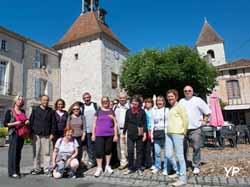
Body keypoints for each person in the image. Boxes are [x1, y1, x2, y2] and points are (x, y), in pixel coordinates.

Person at [179, 85, 210, 174]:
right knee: (184, 149)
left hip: (195, 128)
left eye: (189, 90)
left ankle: (196, 165)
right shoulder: (181, 101)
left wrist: (204, 121)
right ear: (183, 92)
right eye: (185, 91)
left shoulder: (198, 100)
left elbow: (207, 112)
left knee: (196, 147)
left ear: (192, 91)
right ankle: (184, 165)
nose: (187, 92)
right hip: (184, 129)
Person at [165, 89, 188, 187]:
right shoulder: (171, 108)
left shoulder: (180, 106)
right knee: (168, 154)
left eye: (172, 96)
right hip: (169, 133)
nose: (170, 98)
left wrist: (184, 132)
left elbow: (185, 120)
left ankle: (183, 178)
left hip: (178, 133)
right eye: (168, 96)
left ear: (176, 96)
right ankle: (177, 171)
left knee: (180, 156)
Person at [30, 95, 57, 175]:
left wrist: (52, 133)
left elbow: (53, 123)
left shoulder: (51, 111)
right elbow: (31, 122)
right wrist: (30, 133)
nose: (46, 102)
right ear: (40, 101)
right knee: (36, 153)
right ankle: (36, 169)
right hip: (36, 135)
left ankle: (46, 169)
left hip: (47, 135)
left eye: (47, 100)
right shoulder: (35, 110)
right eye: (44, 100)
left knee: (47, 153)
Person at [92, 96, 118, 177]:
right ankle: (99, 167)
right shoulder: (98, 111)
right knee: (99, 151)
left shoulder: (111, 111)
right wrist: (93, 134)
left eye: (106, 101)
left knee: (108, 150)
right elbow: (94, 123)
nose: (105, 102)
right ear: (101, 102)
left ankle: (107, 165)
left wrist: (116, 135)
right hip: (99, 134)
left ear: (108, 101)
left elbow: (115, 123)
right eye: (103, 101)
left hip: (110, 134)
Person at [4, 96, 29, 178]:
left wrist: (27, 121)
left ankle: (17, 171)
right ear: (15, 101)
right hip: (14, 133)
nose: (20, 101)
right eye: (19, 99)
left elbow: (24, 121)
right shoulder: (10, 111)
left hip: (21, 134)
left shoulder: (22, 111)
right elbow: (5, 123)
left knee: (18, 153)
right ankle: (12, 172)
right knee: (13, 153)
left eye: (22, 100)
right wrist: (15, 123)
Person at [122, 95, 147, 175]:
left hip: (139, 133)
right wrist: (123, 133)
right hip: (130, 133)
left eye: (135, 103)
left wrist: (145, 133)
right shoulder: (128, 111)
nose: (134, 104)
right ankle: (130, 167)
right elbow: (126, 122)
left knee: (139, 151)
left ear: (139, 103)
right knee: (130, 151)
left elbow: (144, 123)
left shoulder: (142, 111)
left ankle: (139, 168)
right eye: (133, 103)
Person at [151, 96, 169, 175]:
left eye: (161, 100)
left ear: (164, 102)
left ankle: (166, 168)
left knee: (165, 153)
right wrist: (151, 134)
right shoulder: (153, 111)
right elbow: (152, 123)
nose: (159, 102)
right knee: (157, 152)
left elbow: (168, 122)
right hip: (156, 132)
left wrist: (167, 133)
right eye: (158, 101)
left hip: (164, 132)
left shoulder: (167, 110)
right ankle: (157, 166)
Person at [80, 92, 98, 168]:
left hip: (96, 130)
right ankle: (91, 161)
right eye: (85, 98)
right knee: (90, 147)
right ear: (83, 99)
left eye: (88, 97)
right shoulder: (82, 107)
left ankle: (98, 160)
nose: (87, 99)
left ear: (90, 97)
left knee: (97, 146)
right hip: (86, 131)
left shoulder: (95, 105)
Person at [115, 92, 130, 170]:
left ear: (126, 98)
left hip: (127, 129)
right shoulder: (115, 107)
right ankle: (123, 162)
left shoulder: (130, 107)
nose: (122, 99)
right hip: (118, 129)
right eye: (120, 98)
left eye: (123, 97)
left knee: (128, 146)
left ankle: (129, 161)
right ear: (118, 98)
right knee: (120, 147)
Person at [142, 98, 154, 169]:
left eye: (149, 102)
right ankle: (144, 162)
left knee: (150, 148)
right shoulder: (143, 111)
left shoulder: (154, 111)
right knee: (143, 147)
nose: (147, 103)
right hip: (144, 131)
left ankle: (150, 163)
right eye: (146, 102)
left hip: (151, 130)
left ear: (152, 103)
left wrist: (150, 131)